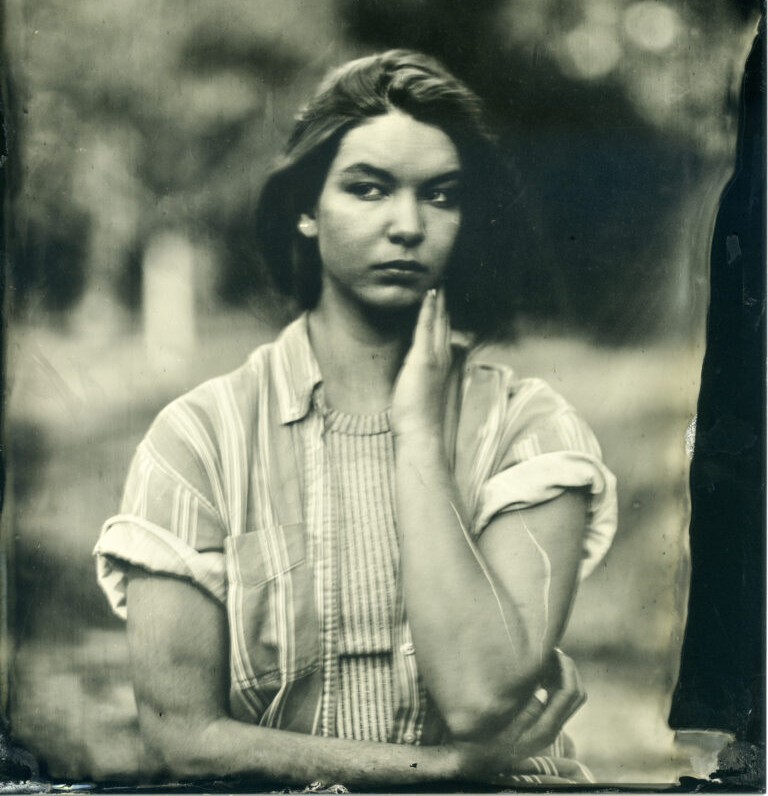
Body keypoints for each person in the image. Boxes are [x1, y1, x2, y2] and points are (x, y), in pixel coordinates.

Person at [94, 49, 617, 788]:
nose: (409, 224)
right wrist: (432, 770)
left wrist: (417, 435)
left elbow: (480, 695)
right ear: (306, 209)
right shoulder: (199, 441)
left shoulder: (527, 429)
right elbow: (183, 736)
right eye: (369, 189)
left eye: (441, 196)